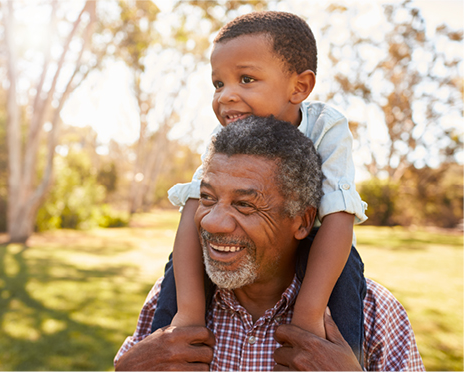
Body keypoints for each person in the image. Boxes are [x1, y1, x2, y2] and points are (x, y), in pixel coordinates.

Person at [114, 116, 424, 371]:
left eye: (245, 205)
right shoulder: (169, 299)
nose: (211, 222)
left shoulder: (373, 313)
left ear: (302, 221)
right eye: (207, 198)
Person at [152, 10, 368, 362]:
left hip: (319, 246)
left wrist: (309, 315)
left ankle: (340, 359)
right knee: (178, 266)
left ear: (299, 87)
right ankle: (163, 358)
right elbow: (193, 208)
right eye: (218, 84)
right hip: (245, 252)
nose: (226, 97)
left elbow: (339, 216)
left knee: (347, 276)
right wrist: (187, 313)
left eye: (246, 79)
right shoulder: (223, 139)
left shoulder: (326, 127)